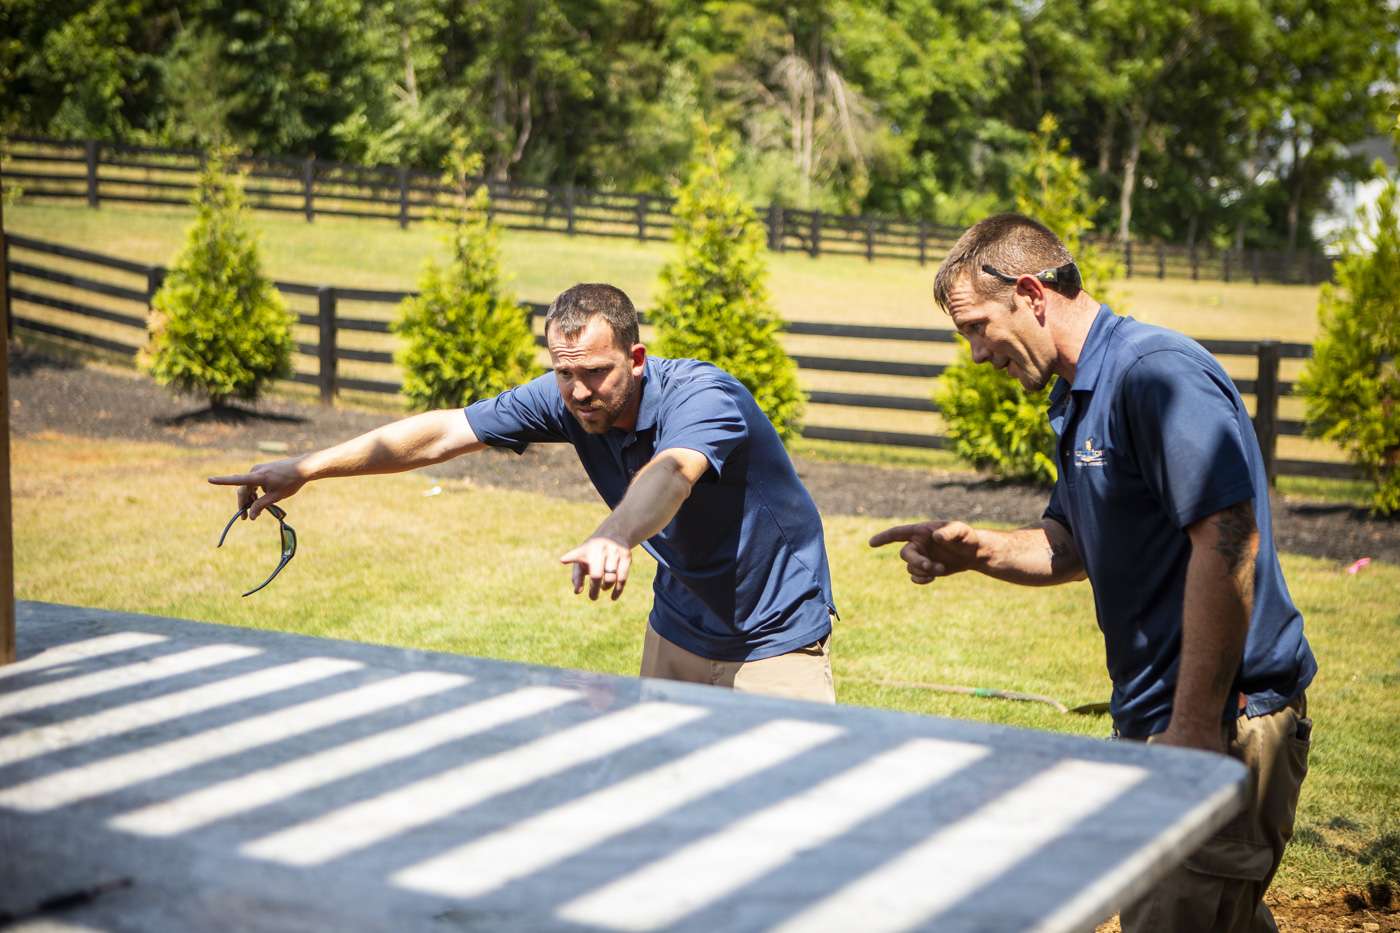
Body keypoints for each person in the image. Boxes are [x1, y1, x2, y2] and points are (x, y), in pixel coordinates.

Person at [869, 214, 1315, 932]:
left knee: (1172, 913)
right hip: (1162, 719)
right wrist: (975, 549)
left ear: (1030, 294)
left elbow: (1229, 539)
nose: (978, 354)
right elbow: (1072, 542)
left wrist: (1195, 724)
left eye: (977, 326)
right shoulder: (1080, 397)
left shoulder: (1153, 375)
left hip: (1223, 720)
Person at [211, 283, 837, 703]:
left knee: (785, 810)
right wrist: (306, 466)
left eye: (596, 372)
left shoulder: (704, 397)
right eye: (564, 373)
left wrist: (614, 534)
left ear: (637, 357)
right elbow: (442, 433)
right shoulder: (562, 396)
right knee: (661, 799)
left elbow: (673, 471)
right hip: (678, 628)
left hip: (774, 636)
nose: (579, 392)